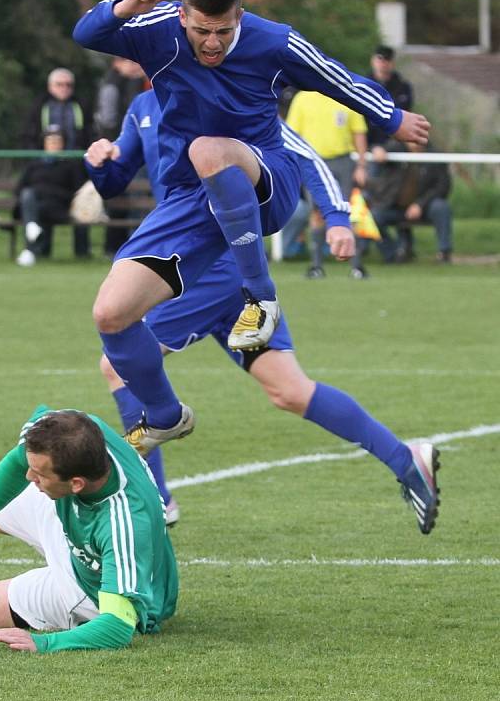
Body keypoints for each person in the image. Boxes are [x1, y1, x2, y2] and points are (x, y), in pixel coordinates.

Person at [73, 0, 430, 457]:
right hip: (190, 211)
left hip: (266, 182)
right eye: (202, 31)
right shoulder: (157, 32)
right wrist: (128, 5)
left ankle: (261, 299)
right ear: (182, 18)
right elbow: (87, 31)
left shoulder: (274, 42)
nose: (213, 43)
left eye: (224, 30)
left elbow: (335, 78)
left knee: (208, 150)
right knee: (110, 315)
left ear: (240, 14)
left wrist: (390, 117)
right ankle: (164, 416)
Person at [85, 89, 442, 536]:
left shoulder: (221, 94)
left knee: (116, 365)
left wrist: (335, 216)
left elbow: (304, 154)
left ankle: (157, 499)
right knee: (289, 390)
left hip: (211, 267)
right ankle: (404, 458)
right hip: (204, 269)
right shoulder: (143, 106)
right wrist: (100, 161)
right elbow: (114, 180)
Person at [0, 405, 178, 653]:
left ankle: (60, 586)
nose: (28, 476)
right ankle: (51, 549)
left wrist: (45, 643)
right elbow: (19, 462)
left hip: (91, 589)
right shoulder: (73, 429)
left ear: (76, 483)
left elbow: (117, 626)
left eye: (38, 474)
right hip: (75, 520)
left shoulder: (125, 525)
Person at [285, 91, 369, 279]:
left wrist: (362, 165)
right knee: (317, 214)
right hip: (313, 163)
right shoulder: (302, 98)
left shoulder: (344, 95)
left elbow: (359, 133)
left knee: (349, 212)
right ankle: (317, 266)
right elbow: (292, 135)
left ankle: (356, 266)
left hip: (343, 162)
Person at [20, 67, 93, 258]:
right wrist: (37, 159)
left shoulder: (80, 105)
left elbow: (89, 134)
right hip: (44, 166)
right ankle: (39, 251)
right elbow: (29, 134)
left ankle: (82, 253)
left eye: (69, 85)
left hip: (74, 167)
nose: (64, 88)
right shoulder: (40, 106)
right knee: (34, 197)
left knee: (79, 199)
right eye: (59, 84)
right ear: (50, 86)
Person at [94, 57, 149, 257]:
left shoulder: (126, 83)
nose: (135, 65)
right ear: (117, 64)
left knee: (129, 202)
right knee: (133, 202)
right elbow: (110, 120)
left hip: (124, 149)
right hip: (123, 149)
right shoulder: (114, 85)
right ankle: (134, 249)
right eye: (128, 61)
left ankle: (124, 248)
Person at [367, 141, 453, 263]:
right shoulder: (394, 150)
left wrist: (420, 204)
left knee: (441, 207)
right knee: (372, 217)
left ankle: (444, 252)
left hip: (426, 207)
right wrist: (376, 147)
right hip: (395, 207)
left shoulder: (435, 156)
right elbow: (373, 147)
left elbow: (443, 185)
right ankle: (393, 255)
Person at [14, 126, 88, 267]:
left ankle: (30, 249)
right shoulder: (34, 165)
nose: (54, 144)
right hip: (34, 205)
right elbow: (19, 190)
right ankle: (31, 236)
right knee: (29, 196)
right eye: (50, 141)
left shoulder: (70, 165)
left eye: (57, 141)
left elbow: (76, 192)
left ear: (63, 144)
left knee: (33, 206)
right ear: (44, 143)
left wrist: (46, 191)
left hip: (58, 207)